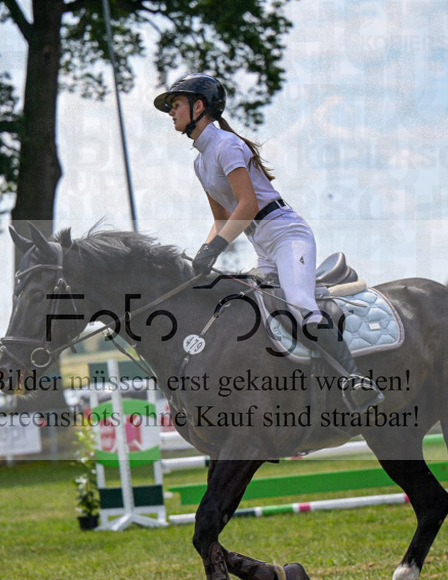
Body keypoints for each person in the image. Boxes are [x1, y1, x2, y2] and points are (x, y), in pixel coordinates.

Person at [154, 73, 373, 409]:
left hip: (287, 234)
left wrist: (215, 249)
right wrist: (202, 255)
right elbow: (222, 220)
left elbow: (248, 204)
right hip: (263, 245)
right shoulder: (200, 162)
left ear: (199, 107)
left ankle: (355, 378)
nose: (171, 111)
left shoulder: (226, 145)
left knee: (300, 302)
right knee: (256, 312)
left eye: (176, 104)